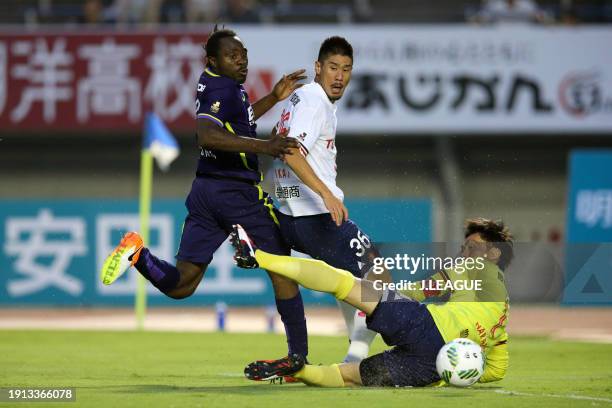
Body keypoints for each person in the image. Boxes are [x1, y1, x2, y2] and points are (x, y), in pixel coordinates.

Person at [100, 26, 311, 361]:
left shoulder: (222, 85)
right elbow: (207, 136)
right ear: (213, 59)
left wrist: (273, 97)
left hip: (205, 191)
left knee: (182, 285)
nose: (241, 62)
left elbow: (237, 122)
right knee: (283, 268)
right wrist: (267, 146)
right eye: (232, 56)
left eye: (243, 56)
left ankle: (138, 254)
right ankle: (297, 357)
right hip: (235, 192)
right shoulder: (221, 86)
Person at [231, 218, 513, 387]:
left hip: (423, 325)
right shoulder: (502, 318)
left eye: (472, 247)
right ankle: (301, 372)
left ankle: (258, 257)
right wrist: (459, 371)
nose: (464, 252)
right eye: (464, 247)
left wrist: (384, 296)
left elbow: (422, 290)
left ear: (493, 254)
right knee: (350, 378)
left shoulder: (472, 268)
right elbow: (497, 371)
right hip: (430, 368)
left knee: (346, 283)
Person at [261, 36, 384, 366]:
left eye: (346, 69)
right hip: (316, 217)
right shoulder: (315, 101)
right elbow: (289, 152)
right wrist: (326, 194)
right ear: (318, 67)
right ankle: (363, 358)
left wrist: (279, 196)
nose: (340, 76)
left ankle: (340, 356)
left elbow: (277, 143)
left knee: (349, 283)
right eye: (333, 67)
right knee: (377, 275)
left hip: (291, 214)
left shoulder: (299, 100)